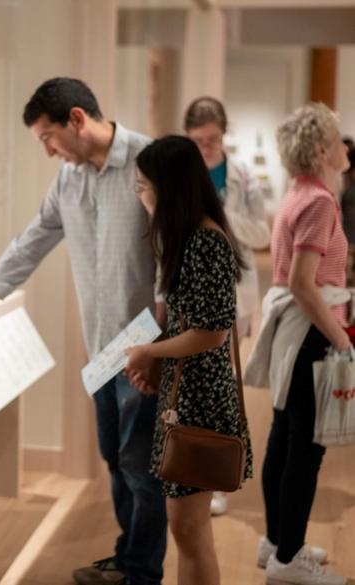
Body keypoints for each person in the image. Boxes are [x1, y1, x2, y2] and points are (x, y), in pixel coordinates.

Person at [0, 77, 167, 585]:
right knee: (115, 459)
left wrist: (159, 349)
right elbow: (29, 244)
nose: (47, 151)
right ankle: (129, 558)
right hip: (100, 350)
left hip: (146, 351)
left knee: (143, 469)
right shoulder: (69, 180)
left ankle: (142, 573)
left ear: (76, 119)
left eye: (48, 137)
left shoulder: (150, 161)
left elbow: (171, 263)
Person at [124, 135, 252, 585]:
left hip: (201, 397)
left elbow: (211, 332)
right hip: (188, 391)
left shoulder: (204, 242)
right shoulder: (190, 238)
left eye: (143, 186)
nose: (141, 196)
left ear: (169, 187)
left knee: (189, 529)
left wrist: (150, 351)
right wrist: (159, 365)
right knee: (188, 529)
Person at [245, 103, 352, 585]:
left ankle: (277, 542)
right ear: (322, 150)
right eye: (337, 136)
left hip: (297, 330)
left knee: (285, 436)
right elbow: (304, 284)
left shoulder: (298, 193)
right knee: (305, 449)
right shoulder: (320, 202)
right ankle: (288, 561)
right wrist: (341, 339)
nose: (345, 144)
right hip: (311, 332)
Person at [183, 97, 271, 517]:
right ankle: (188, 469)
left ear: (224, 133)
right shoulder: (180, 172)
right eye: (198, 140)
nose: (206, 148)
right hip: (190, 290)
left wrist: (223, 215)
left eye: (213, 139)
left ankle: (217, 478)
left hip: (233, 292)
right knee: (192, 384)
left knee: (222, 384)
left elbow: (262, 233)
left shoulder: (243, 176)